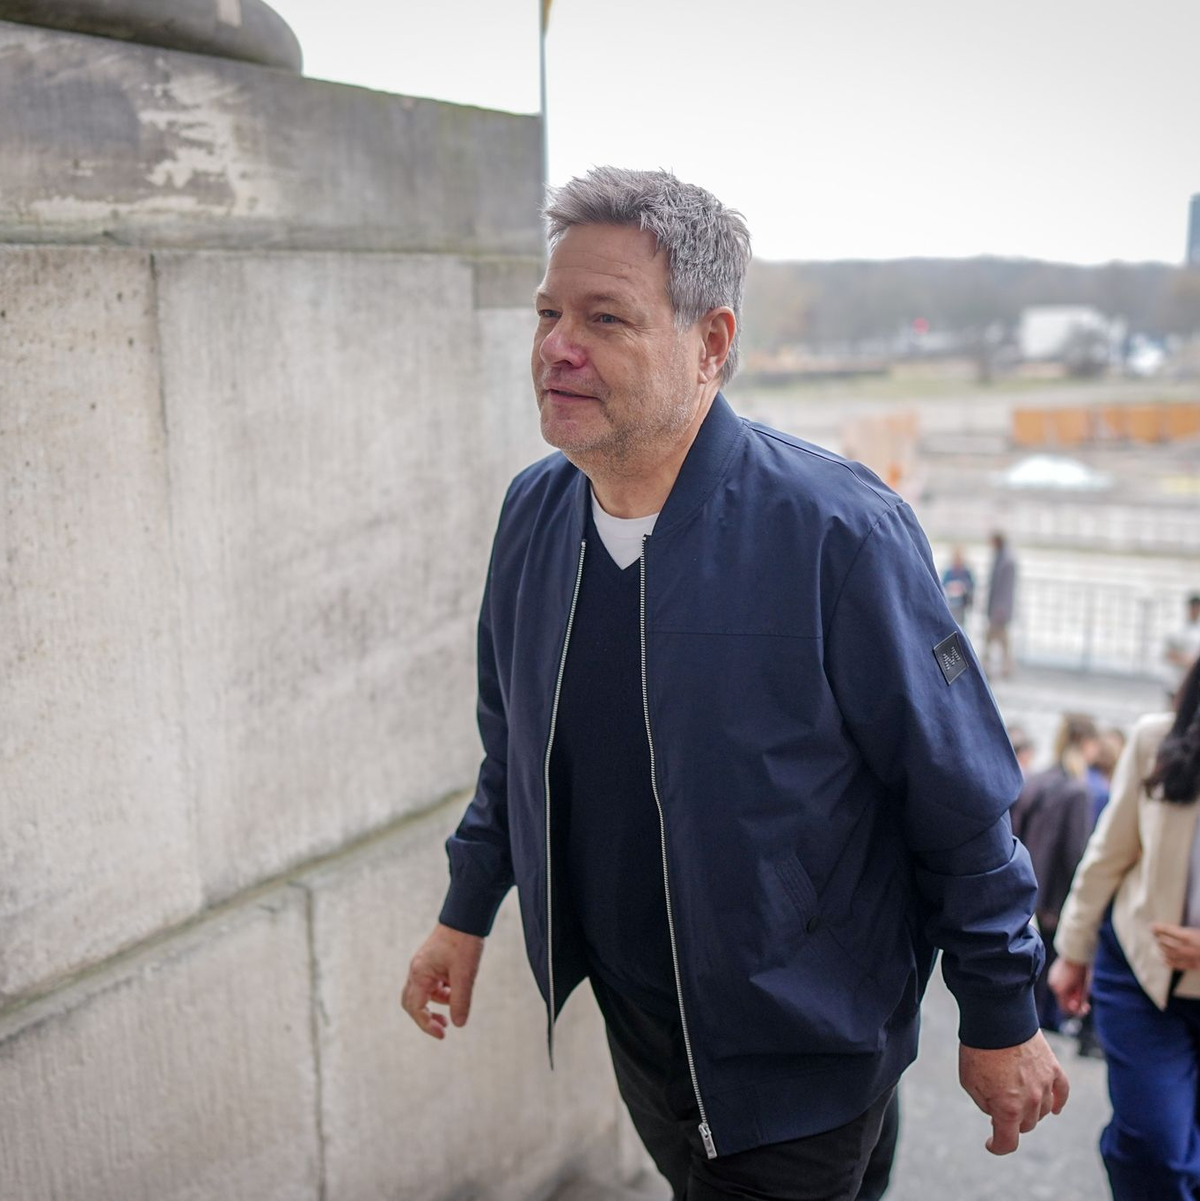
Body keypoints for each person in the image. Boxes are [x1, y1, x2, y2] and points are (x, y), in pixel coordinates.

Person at [401, 167, 1067, 1201]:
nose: (555, 347)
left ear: (711, 343)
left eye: (605, 318)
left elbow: (960, 796)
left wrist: (1002, 1013)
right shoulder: (534, 517)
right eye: (548, 312)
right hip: (642, 1031)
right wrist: (464, 908)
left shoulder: (839, 533)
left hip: (806, 1056)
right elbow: (515, 755)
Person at [1050, 659, 1200, 1200]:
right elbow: (1110, 853)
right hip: (1141, 975)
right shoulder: (1157, 738)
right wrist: (1073, 950)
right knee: (1154, 1146)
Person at [1009, 714, 1099, 1032]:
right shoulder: (1077, 790)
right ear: (1086, 744)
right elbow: (1075, 852)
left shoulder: (1038, 779)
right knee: (1043, 969)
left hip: (1022, 881)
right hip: (1052, 896)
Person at [984, 532, 1017, 677]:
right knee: (999, 641)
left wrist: (999, 609)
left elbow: (1005, 589)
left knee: (994, 639)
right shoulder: (1002, 558)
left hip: (999, 610)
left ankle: (989, 666)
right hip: (998, 608)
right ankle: (1002, 667)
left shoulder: (1006, 561)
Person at [1162, 593, 1200, 703]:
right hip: (1177, 679)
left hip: (1193, 682)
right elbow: (1168, 653)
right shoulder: (1177, 629)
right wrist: (1186, 660)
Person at [940, 546, 975, 629]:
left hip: (961, 604)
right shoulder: (949, 571)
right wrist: (951, 587)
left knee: (962, 625)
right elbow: (943, 584)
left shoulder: (966, 571)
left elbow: (972, 584)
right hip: (951, 603)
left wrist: (963, 587)